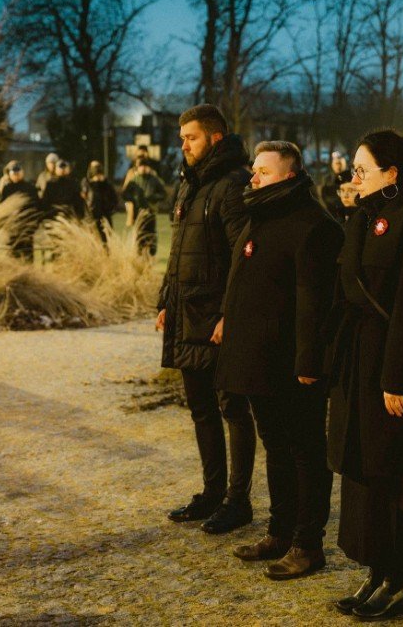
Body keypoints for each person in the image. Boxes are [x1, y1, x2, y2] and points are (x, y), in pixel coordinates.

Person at [216, 141, 343, 580]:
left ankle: (308, 545)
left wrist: (310, 361)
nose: (253, 178)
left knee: (305, 450)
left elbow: (315, 301)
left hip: (291, 363)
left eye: (263, 172)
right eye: (254, 170)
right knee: (276, 446)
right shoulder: (262, 214)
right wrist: (226, 321)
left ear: (289, 176)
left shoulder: (313, 224)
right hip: (257, 359)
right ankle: (280, 531)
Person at [326, 129, 403, 621]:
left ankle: (401, 580)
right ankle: (376, 570)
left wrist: (394, 378)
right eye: (353, 169)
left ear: (391, 174)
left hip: (391, 368)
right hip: (357, 362)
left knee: (393, 470)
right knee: (363, 471)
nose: (354, 177)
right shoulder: (362, 217)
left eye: (362, 169)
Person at [158, 103, 255, 534]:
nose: (183, 145)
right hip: (186, 313)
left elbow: (243, 257)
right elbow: (179, 251)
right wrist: (165, 301)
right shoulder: (190, 184)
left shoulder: (234, 185)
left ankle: (238, 501)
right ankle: (212, 493)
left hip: (216, 319)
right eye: (182, 138)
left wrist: (229, 315)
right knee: (201, 409)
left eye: (191, 137)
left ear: (215, 137)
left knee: (233, 407)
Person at [122, 157, 168, 255]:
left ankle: (151, 255)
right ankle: (139, 255)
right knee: (139, 237)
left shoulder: (154, 180)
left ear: (148, 167)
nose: (143, 168)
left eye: (145, 166)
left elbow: (164, 194)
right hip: (137, 214)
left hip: (150, 213)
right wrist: (134, 198)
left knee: (151, 236)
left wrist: (153, 197)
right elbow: (125, 194)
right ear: (137, 168)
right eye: (141, 166)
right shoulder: (134, 180)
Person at [84, 160, 119, 240]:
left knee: (106, 241)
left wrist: (109, 210)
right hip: (92, 218)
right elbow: (87, 201)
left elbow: (114, 200)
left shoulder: (107, 185)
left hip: (105, 217)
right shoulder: (87, 184)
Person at [320, 151, 349, 216]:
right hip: (333, 213)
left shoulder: (351, 178)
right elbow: (324, 197)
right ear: (332, 164)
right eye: (336, 163)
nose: (338, 166)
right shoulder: (327, 180)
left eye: (340, 163)